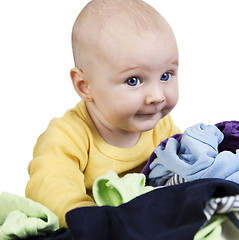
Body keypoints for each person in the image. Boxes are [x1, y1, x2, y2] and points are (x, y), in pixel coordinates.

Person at [26, 0, 180, 227]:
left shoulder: (163, 128)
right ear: (84, 86)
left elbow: (183, 168)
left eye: (166, 75)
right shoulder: (68, 135)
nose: (156, 95)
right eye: (133, 80)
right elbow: (49, 183)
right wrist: (86, 217)